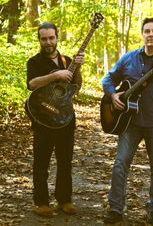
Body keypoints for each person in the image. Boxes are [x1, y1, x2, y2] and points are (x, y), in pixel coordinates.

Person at [102, 17, 153, 225]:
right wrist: (113, 95)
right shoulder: (129, 58)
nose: (150, 34)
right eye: (147, 31)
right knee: (120, 164)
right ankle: (115, 209)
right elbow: (108, 79)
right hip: (129, 122)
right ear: (142, 34)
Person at [26, 22, 84, 217]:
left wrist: (78, 69)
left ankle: (64, 200)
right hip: (42, 118)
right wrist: (55, 75)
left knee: (65, 161)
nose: (48, 42)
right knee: (41, 162)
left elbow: (76, 87)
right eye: (44, 38)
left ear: (57, 37)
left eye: (51, 37)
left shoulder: (68, 61)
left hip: (65, 118)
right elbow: (32, 84)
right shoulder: (34, 62)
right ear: (39, 40)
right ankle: (41, 202)